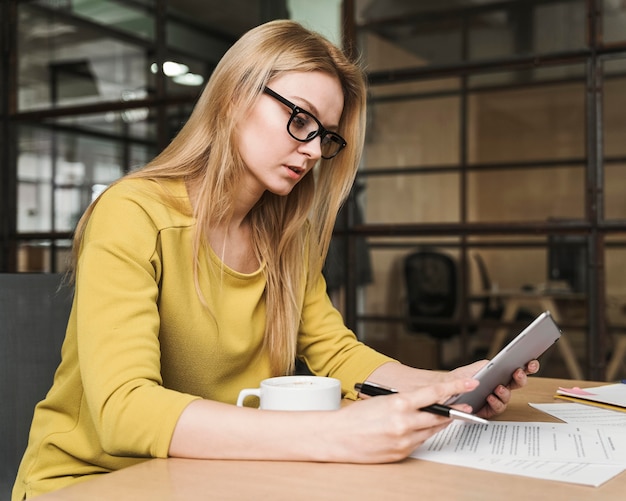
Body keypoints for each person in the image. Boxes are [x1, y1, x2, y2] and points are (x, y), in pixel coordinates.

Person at [12, 19, 538, 500]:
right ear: (235, 95)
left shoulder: (288, 237)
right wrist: (333, 434)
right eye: (300, 119)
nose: (312, 150)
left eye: (325, 136)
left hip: (211, 474)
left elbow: (335, 353)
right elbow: (123, 411)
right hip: (92, 482)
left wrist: (449, 386)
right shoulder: (132, 212)